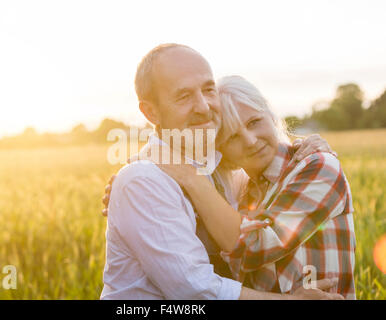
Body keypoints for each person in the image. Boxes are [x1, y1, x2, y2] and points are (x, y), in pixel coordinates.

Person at [100, 43, 342, 300]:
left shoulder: (226, 174)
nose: (203, 107)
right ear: (151, 112)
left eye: (208, 89)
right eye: (183, 96)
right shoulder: (143, 180)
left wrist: (304, 146)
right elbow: (192, 289)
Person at [151, 75, 356, 299]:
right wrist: (143, 185)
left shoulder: (318, 166)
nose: (250, 141)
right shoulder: (240, 189)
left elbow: (254, 248)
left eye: (254, 122)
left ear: (270, 114)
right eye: (232, 137)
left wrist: (191, 177)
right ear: (220, 149)